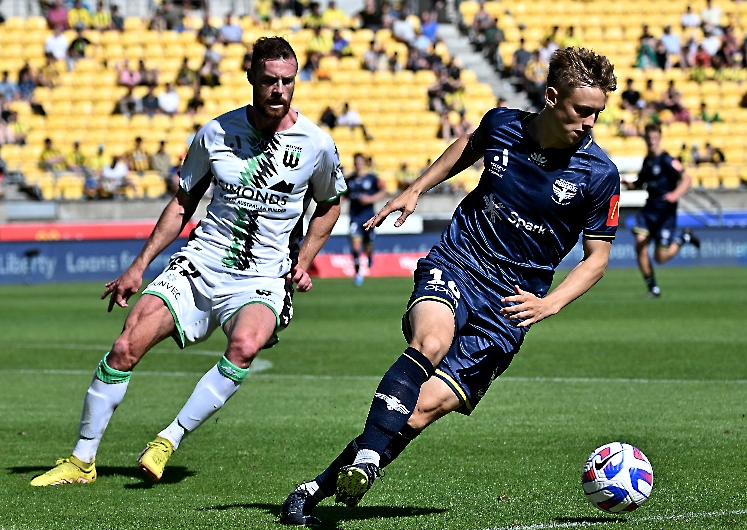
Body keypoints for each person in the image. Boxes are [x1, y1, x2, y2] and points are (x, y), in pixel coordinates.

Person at [280, 47, 623, 526]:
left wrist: (551, 303)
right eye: (582, 111)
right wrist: (418, 187)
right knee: (431, 341)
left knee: (417, 413)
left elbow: (597, 259)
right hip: (460, 262)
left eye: (598, 114)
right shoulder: (503, 124)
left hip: (511, 304)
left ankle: (313, 488)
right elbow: (468, 144)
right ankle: (367, 462)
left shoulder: (600, 174)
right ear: (551, 97)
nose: (590, 123)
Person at [29, 36, 347, 488]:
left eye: (288, 81)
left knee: (245, 346)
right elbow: (183, 204)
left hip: (261, 277)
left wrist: (305, 260)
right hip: (201, 262)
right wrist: (138, 266)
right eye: (270, 80)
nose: (279, 90)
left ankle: (168, 439)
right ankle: (82, 461)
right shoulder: (215, 133)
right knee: (124, 346)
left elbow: (329, 205)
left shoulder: (316, 144)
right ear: (251, 77)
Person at [628, 123, 700, 298]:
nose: (651, 141)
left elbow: (687, 179)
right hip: (649, 211)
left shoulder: (667, 159)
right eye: (649, 138)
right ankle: (653, 288)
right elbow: (640, 183)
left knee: (660, 258)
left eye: (654, 138)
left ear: (659, 138)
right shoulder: (647, 161)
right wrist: (628, 183)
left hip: (665, 215)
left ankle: (684, 237)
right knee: (640, 244)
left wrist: (675, 194)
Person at [345, 153, 385, 286]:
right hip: (355, 218)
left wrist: (371, 199)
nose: (358, 165)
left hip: (369, 218)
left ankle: (368, 256)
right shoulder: (349, 180)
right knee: (355, 247)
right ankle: (357, 274)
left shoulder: (372, 179)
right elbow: (342, 195)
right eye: (356, 162)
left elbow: (383, 190)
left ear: (364, 163)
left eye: (360, 162)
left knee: (368, 246)